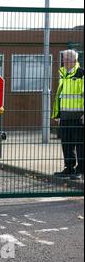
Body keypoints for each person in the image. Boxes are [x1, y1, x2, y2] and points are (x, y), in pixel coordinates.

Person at [52, 49, 84, 178]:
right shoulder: (63, 74)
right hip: (65, 116)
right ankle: (69, 168)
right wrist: (58, 115)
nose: (65, 62)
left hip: (79, 117)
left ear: (75, 61)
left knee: (80, 145)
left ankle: (81, 170)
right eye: (64, 59)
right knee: (66, 143)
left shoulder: (81, 74)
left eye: (68, 60)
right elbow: (61, 96)